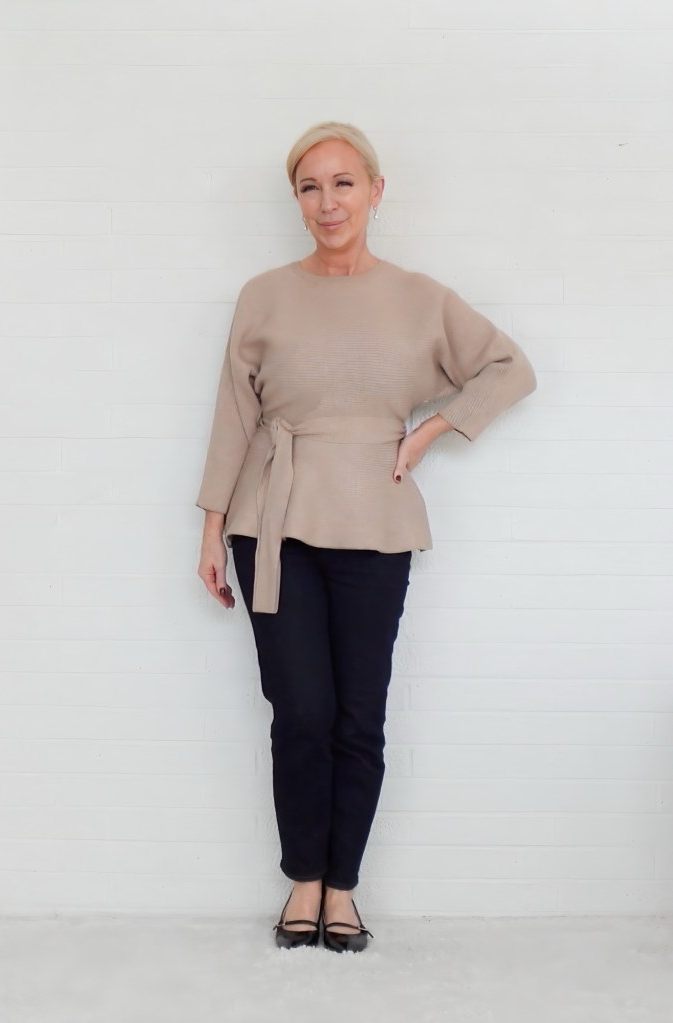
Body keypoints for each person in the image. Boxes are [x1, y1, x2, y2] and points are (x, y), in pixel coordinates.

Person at [196, 121, 536, 953]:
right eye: (311, 186)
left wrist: (430, 432)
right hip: (270, 521)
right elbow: (235, 414)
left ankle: (341, 887)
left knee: (358, 714)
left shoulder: (420, 298)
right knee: (299, 710)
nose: (328, 201)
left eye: (344, 183)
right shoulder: (263, 295)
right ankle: (301, 878)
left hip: (374, 525)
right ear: (297, 200)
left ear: (376, 192)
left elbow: (510, 367)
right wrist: (212, 528)